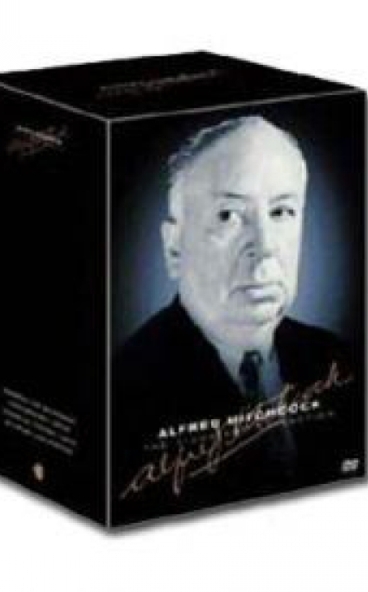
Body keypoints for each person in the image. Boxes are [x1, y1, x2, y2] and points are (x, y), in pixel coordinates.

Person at [112, 116, 360, 525]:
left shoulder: (342, 362)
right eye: (228, 215)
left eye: (281, 211)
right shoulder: (122, 394)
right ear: (174, 248)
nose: (265, 248)